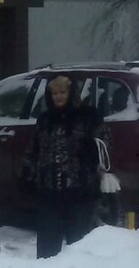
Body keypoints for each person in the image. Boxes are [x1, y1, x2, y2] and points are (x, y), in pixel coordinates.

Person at [21, 75, 110, 258]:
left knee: (78, 249)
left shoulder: (87, 117)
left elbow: (105, 145)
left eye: (63, 92)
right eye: (54, 93)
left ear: (71, 93)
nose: (59, 97)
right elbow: (33, 150)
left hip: (80, 192)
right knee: (47, 251)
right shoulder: (45, 120)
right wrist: (28, 175)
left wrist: (90, 151)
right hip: (49, 193)